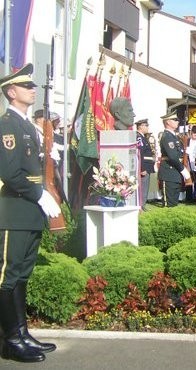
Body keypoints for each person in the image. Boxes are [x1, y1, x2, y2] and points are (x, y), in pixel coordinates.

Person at [0, 64, 61, 363]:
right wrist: (39, 194)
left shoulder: (26, 125)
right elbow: (10, 173)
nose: (33, 89)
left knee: (22, 275)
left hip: (30, 210)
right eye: (27, 86)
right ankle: (10, 340)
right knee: (8, 277)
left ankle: (22, 333)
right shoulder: (7, 124)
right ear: (12, 92)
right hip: (13, 211)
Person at [158, 112, 190, 207]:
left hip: (175, 173)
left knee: (174, 204)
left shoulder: (173, 136)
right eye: (175, 120)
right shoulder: (167, 136)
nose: (177, 121)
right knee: (169, 206)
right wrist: (184, 171)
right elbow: (172, 157)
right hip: (168, 173)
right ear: (168, 122)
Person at [136, 119, 155, 210]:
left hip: (147, 166)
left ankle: (143, 204)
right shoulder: (139, 137)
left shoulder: (143, 137)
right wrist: (142, 168)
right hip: (144, 166)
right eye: (146, 126)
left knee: (145, 186)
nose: (148, 128)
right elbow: (140, 153)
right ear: (141, 126)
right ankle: (141, 205)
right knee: (143, 187)